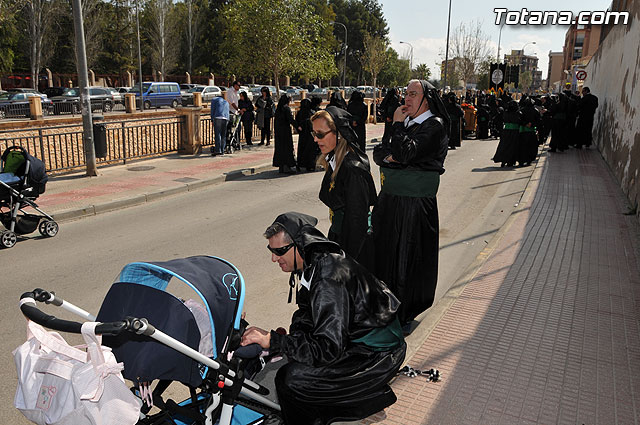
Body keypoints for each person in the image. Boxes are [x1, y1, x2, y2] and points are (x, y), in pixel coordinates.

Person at [241, 212, 406, 425]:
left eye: (279, 251)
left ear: (300, 245)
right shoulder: (314, 262)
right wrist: (289, 342)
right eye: (271, 251)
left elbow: (328, 349)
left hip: (377, 355)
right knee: (298, 349)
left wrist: (275, 341)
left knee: (291, 380)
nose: (274, 258)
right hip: (357, 339)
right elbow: (307, 315)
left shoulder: (328, 279)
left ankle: (359, 406)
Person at [372, 79, 450, 327]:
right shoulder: (406, 124)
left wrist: (397, 132)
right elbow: (379, 153)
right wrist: (395, 152)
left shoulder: (434, 126)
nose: (406, 99)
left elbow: (405, 153)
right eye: (406, 94)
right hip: (391, 200)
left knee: (407, 257)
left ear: (426, 99)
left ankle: (403, 311)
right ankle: (385, 306)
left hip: (414, 206)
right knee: (386, 254)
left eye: (413, 94)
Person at [312, 106, 377, 272]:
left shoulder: (353, 168)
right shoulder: (335, 161)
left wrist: (346, 264)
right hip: (340, 239)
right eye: (314, 134)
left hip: (354, 250)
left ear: (338, 133)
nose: (315, 139)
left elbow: (357, 223)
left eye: (320, 134)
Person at [492, 100, 521, 167]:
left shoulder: (506, 113)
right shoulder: (517, 113)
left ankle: (503, 160)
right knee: (512, 147)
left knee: (504, 146)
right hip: (515, 131)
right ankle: (510, 161)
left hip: (506, 131)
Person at [273, 94, 297, 174]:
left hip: (278, 132)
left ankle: (281, 166)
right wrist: (298, 126)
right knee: (287, 148)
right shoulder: (286, 108)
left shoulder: (278, 109)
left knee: (280, 148)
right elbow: (290, 119)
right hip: (285, 131)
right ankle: (287, 166)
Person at [294, 98, 317, 172]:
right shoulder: (311, 112)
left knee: (303, 148)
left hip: (303, 134)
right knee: (310, 149)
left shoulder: (299, 113)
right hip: (310, 134)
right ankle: (310, 165)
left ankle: (301, 164)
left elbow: (297, 122)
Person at [517, 96, 541, 166]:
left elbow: (519, 120)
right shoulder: (536, 111)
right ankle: (529, 160)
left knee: (522, 146)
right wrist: (532, 124)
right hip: (532, 132)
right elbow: (539, 121)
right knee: (531, 146)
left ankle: (521, 160)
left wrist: (525, 124)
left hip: (523, 131)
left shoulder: (521, 110)